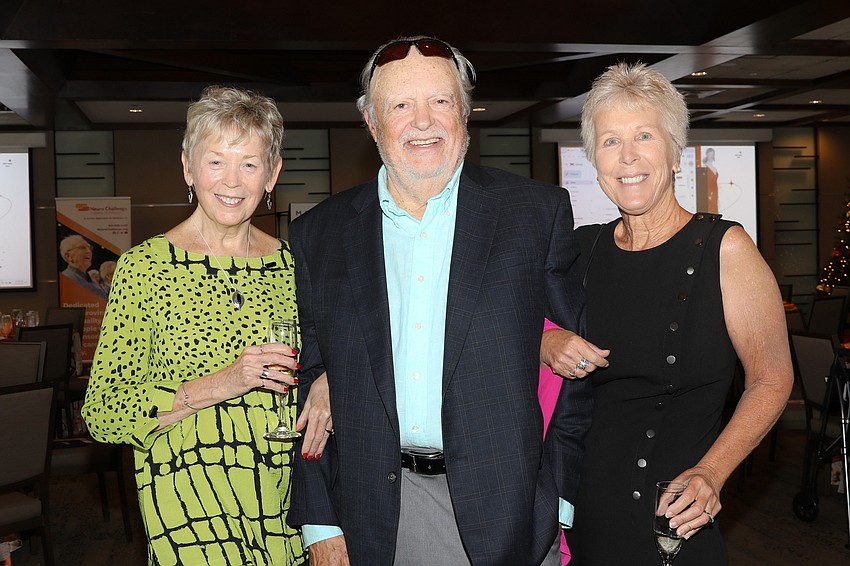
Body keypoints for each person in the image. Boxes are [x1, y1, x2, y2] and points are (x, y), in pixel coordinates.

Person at [287, 36, 593, 565]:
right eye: (401, 105)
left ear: (466, 113)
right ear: (372, 122)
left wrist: (557, 499)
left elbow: (579, 373)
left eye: (441, 101)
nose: (423, 121)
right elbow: (306, 379)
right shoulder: (321, 234)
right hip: (377, 512)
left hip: (513, 512)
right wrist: (319, 520)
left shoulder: (534, 215)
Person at [540, 62, 793, 565]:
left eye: (644, 136)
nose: (627, 157)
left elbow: (771, 378)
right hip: (583, 516)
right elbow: (496, 321)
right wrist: (543, 343)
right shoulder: (580, 250)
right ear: (594, 160)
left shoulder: (726, 249)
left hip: (674, 519)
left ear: (676, 152)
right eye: (609, 141)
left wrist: (712, 473)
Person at [82, 85, 332, 566]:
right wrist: (227, 381)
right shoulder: (145, 269)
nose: (232, 181)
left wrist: (326, 382)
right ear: (188, 168)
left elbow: (328, 360)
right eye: (216, 161)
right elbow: (105, 413)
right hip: (190, 511)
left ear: (273, 174)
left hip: (285, 509)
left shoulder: (295, 265)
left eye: (250, 163)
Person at [59, 234, 109, 300]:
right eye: (82, 247)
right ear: (68, 256)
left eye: (89, 248)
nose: (89, 251)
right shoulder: (67, 278)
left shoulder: (88, 278)